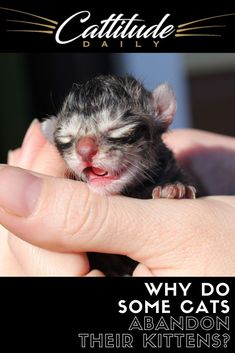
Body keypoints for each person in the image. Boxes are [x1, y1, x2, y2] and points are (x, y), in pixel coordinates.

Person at [0, 119, 235, 276]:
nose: (86, 152)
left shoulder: (170, 166)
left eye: (115, 130)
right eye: (69, 136)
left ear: (162, 114)